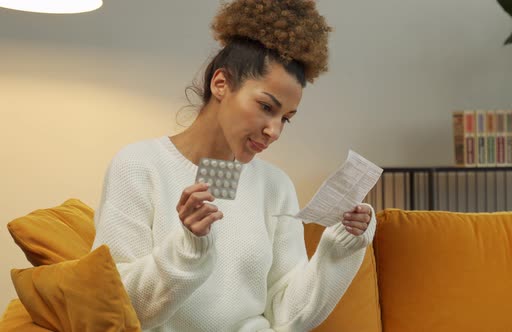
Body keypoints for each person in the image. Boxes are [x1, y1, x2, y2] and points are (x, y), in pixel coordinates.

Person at [92, 1, 376, 331]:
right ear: (221, 84)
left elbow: (288, 316)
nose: (275, 131)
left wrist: (339, 246)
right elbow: (119, 306)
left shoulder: (275, 185)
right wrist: (189, 248)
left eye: (285, 118)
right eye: (266, 107)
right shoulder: (139, 166)